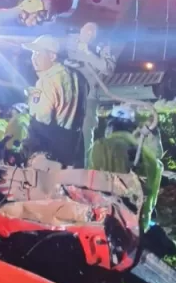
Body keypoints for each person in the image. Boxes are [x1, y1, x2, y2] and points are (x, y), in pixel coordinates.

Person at [89, 104, 164, 233]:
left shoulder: (100, 147)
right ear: (131, 128)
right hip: (138, 228)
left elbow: (90, 185)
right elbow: (150, 200)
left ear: (110, 126)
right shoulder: (151, 160)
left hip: (106, 224)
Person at [21, 35, 87, 168]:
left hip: (51, 154)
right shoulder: (78, 77)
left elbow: (41, 120)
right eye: (33, 53)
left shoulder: (47, 81)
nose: (33, 58)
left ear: (52, 56)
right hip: (75, 148)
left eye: (38, 53)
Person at [65, 22, 117, 166]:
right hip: (68, 95)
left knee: (86, 133)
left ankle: (84, 168)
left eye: (92, 33)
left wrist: (88, 53)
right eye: (87, 31)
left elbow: (108, 68)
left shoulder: (102, 46)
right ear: (81, 30)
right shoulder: (70, 40)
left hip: (89, 97)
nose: (89, 35)